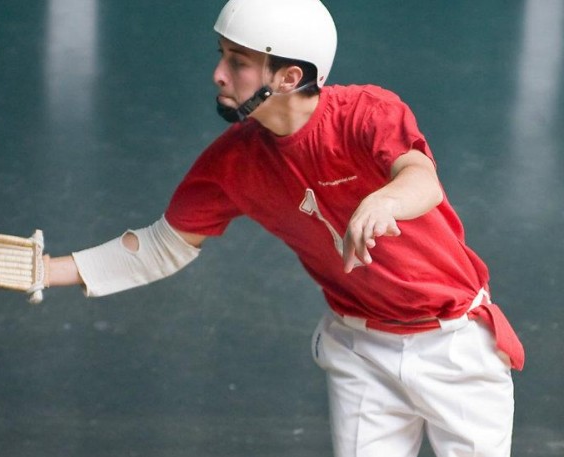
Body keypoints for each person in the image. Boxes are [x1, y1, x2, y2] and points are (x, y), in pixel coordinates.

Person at [41, 0, 525, 455]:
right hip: (360, 351)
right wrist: (39, 271)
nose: (218, 74)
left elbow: (421, 179)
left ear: (290, 76)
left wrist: (383, 202)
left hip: (456, 346)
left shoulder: (365, 113)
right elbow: (158, 247)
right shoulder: (233, 162)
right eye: (222, 56)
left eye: (238, 62)